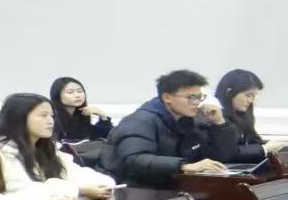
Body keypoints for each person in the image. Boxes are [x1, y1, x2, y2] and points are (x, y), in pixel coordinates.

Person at [101, 69, 235, 188]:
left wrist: (219, 123)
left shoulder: (189, 120)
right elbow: (135, 159)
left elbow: (219, 157)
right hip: (133, 189)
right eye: (190, 97)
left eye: (199, 97)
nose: (196, 102)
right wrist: (183, 166)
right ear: (167, 98)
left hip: (171, 185)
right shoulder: (140, 121)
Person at [0, 93, 115, 200]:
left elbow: (79, 173)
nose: (50, 121)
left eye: (52, 116)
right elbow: (23, 191)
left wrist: (103, 185)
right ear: (19, 118)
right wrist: (80, 190)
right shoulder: (4, 152)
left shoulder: (48, 148)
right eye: (43, 115)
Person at [214, 69, 285, 162]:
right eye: (248, 95)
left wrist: (276, 145)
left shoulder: (242, 115)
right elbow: (230, 153)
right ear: (229, 92)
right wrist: (264, 149)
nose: (251, 101)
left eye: (254, 96)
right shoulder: (215, 117)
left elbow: (253, 140)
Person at [49, 77, 113, 143]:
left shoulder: (80, 115)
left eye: (79, 91)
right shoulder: (51, 117)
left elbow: (108, 135)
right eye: (70, 92)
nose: (77, 95)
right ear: (57, 95)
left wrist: (103, 116)